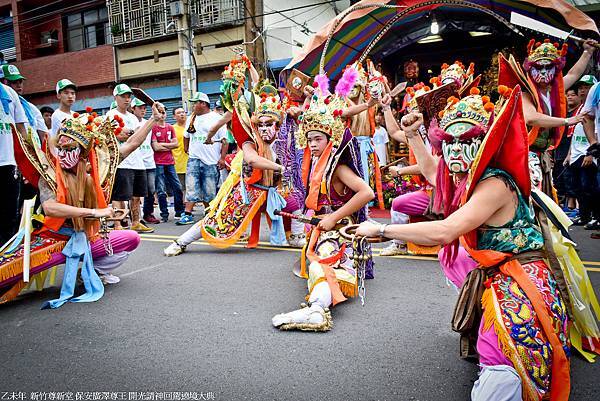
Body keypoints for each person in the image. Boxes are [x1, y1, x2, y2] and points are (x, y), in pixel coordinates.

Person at [356, 85, 598, 400]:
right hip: (497, 273)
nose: (455, 150)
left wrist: (383, 231)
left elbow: (445, 231)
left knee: (504, 359)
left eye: (466, 141)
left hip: (520, 282)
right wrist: (414, 135)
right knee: (489, 340)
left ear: (483, 143)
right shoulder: (471, 174)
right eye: (450, 142)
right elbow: (433, 173)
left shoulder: (494, 183)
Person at [1, 102, 165, 305]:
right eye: (60, 148)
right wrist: (95, 212)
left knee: (131, 239)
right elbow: (50, 207)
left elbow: (131, 144)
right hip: (54, 240)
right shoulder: (50, 174)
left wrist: (153, 120)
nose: (63, 153)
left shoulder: (98, 170)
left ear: (82, 151)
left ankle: (93, 271)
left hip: (87, 237)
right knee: (5, 272)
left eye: (69, 148)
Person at [272, 74, 375, 332]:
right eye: (309, 139)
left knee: (324, 263)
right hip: (322, 227)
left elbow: (366, 193)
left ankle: (317, 309)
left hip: (338, 230)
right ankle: (317, 306)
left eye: (318, 139)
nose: (312, 144)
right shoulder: (314, 164)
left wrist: (332, 217)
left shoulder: (338, 167)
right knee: (317, 264)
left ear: (330, 139)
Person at [499, 39, 596, 196]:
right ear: (531, 69)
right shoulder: (525, 93)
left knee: (545, 196)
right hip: (523, 155)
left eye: (548, 67)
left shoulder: (554, 91)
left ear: (555, 69)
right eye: (539, 67)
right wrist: (566, 121)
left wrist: (587, 52)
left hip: (542, 154)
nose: (543, 72)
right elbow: (531, 118)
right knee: (532, 197)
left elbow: (573, 74)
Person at [107, 84, 154, 233]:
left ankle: (135, 222)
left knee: (136, 195)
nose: (127, 99)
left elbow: (139, 136)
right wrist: (132, 133)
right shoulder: (111, 115)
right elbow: (118, 135)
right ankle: (118, 224)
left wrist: (130, 132)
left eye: (128, 96)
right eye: (123, 96)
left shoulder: (133, 117)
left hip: (137, 161)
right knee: (119, 195)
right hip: (122, 161)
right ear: (116, 97)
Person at [178, 92, 228, 225]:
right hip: (194, 159)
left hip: (211, 160)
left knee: (209, 189)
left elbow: (225, 140)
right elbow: (186, 136)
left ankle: (209, 213)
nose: (193, 106)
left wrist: (222, 158)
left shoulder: (217, 118)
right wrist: (187, 149)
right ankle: (188, 214)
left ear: (203, 104)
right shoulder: (192, 118)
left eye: (196, 103)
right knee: (191, 186)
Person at [0, 78, 28, 245]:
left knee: (9, 216)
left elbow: (21, 130)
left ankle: (6, 264)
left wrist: (27, 163)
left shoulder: (9, 93)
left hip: (9, 163)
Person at [151, 106, 184, 222]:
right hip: (158, 162)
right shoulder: (154, 128)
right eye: (160, 112)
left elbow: (176, 144)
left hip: (170, 161)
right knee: (160, 190)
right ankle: (164, 214)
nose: (162, 115)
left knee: (178, 187)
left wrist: (162, 145)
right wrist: (168, 145)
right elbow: (155, 147)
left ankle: (179, 212)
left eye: (164, 112)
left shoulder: (170, 127)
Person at [131, 98, 158, 225]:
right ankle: (136, 217)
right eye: (139, 107)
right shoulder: (130, 122)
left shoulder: (149, 123)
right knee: (135, 192)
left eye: (144, 108)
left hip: (149, 161)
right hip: (136, 162)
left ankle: (148, 214)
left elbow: (153, 141)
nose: (143, 110)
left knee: (150, 190)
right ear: (133, 109)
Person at [553, 88, 580, 215]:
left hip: (572, 151)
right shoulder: (563, 115)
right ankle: (563, 205)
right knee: (560, 180)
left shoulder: (578, 114)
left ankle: (572, 207)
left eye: (573, 95)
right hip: (559, 150)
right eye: (567, 95)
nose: (569, 97)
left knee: (571, 180)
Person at [171, 107, 188, 196]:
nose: (182, 114)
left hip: (191, 160)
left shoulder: (191, 126)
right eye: (179, 113)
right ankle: (182, 203)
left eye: (183, 112)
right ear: (174, 116)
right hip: (177, 161)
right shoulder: (172, 128)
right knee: (180, 186)